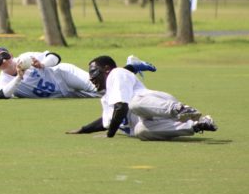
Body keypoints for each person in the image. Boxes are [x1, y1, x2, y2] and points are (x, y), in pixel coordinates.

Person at [66, 55, 218, 140]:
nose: (91, 78)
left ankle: (181, 109)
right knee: (140, 131)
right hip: (150, 120)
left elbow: (121, 107)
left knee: (134, 104)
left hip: (158, 104)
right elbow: (107, 121)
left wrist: (110, 135)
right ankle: (197, 124)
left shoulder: (116, 73)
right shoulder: (106, 99)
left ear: (106, 69)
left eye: (93, 72)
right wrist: (83, 129)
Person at [0, 47, 156, 100]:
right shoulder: (4, 79)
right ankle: (131, 70)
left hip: (64, 75)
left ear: (11, 55)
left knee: (102, 86)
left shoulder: (25, 58)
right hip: (63, 94)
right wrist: (19, 77)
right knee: (105, 95)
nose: (4, 61)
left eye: (4, 56)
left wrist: (42, 64)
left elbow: (55, 56)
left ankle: (132, 66)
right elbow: (1, 95)